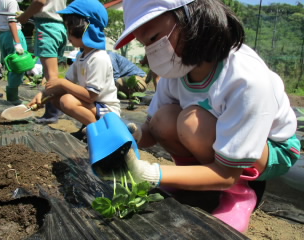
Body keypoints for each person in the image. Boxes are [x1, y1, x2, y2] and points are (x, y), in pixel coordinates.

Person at [103, 0, 301, 233]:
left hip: (269, 149)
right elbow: (152, 130)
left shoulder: (245, 78)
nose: (151, 53)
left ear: (191, 18)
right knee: (164, 119)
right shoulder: (175, 72)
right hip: (216, 140)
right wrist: (128, 135)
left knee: (191, 122)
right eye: (145, 44)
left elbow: (226, 173)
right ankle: (198, 185)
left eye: (154, 38)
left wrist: (150, 173)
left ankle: (239, 195)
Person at [27, 0, 120, 128]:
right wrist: (43, 95)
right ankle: (90, 128)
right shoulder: (81, 57)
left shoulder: (98, 58)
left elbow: (91, 96)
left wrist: (62, 83)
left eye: (70, 29)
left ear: (85, 28)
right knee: (56, 97)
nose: (68, 34)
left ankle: (103, 131)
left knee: (67, 100)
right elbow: (64, 85)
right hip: (95, 107)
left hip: (108, 111)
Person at [17, 0, 67, 124]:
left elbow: (40, 1)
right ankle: (56, 109)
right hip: (59, 26)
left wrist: (24, 16)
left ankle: (52, 114)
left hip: (47, 27)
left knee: (51, 75)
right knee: (53, 73)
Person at [0, 0, 28, 105]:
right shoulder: (11, 2)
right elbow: (11, 21)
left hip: (3, 35)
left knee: (11, 67)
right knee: (19, 66)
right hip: (13, 35)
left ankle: (12, 95)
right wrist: (17, 42)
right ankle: (13, 98)